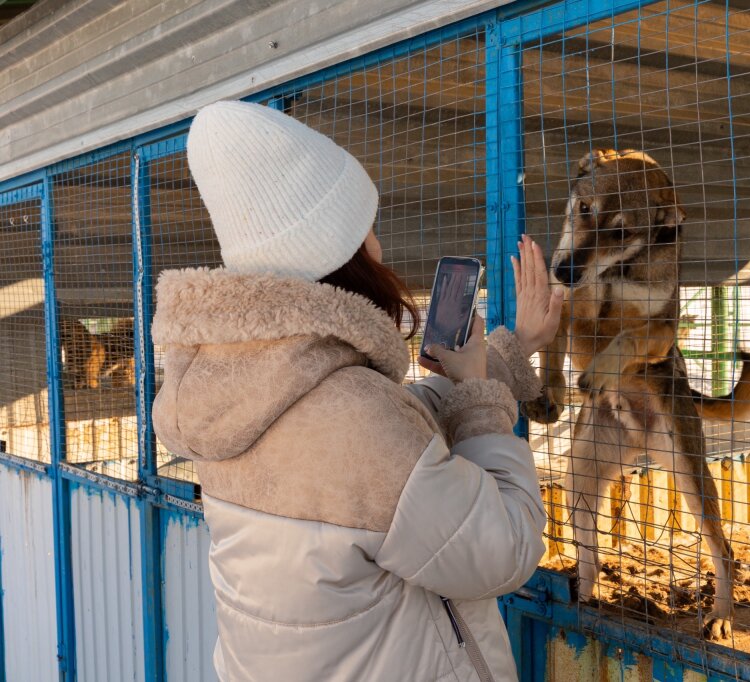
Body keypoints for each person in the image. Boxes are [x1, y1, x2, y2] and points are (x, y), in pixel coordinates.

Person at [152, 100, 563, 681]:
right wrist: (481, 400)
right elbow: (504, 551)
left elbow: (392, 437)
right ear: (336, 252)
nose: (380, 249)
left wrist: (510, 349)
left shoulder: (240, 385)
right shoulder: (358, 422)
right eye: (367, 230)